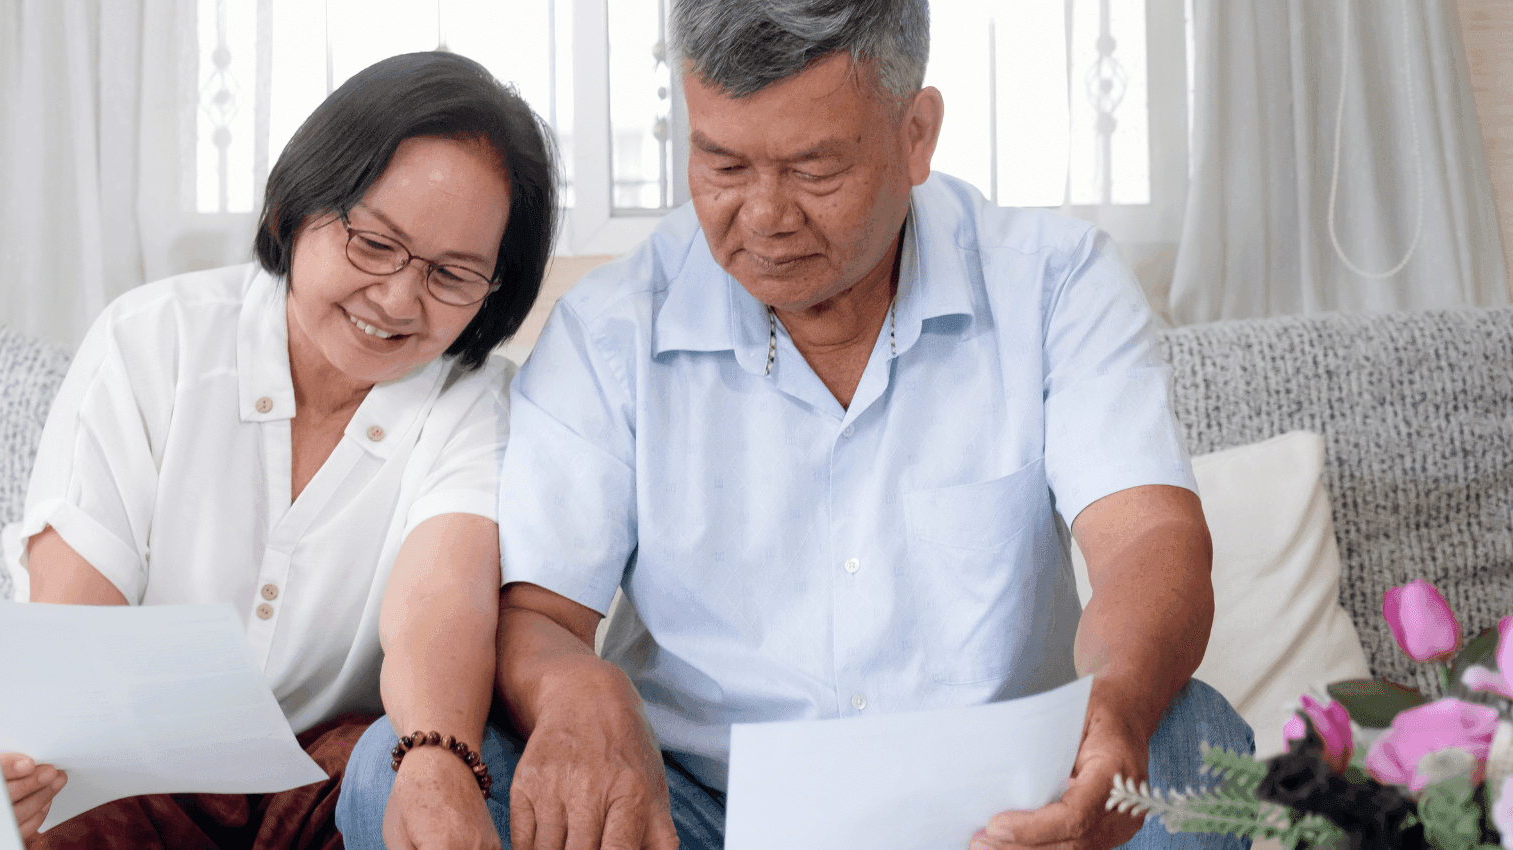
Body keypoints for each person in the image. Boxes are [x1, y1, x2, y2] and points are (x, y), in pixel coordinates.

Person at [338, 2, 1252, 849]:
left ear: (917, 134)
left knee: (1197, 742)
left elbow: (1149, 541)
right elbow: (537, 614)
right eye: (723, 165)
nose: (764, 218)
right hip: (694, 813)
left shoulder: (1055, 285)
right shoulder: (613, 327)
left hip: (995, 809)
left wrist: (1116, 710)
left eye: (814, 169)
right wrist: (579, 687)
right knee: (404, 769)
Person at [0, 50, 557, 850]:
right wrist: (25, 768)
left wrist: (437, 765)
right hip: (139, 769)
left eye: (453, 274)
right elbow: (72, 635)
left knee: (383, 770)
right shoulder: (154, 341)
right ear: (297, 209)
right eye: (373, 243)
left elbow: (443, 597)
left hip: (328, 781)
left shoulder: (479, 401)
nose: (398, 299)